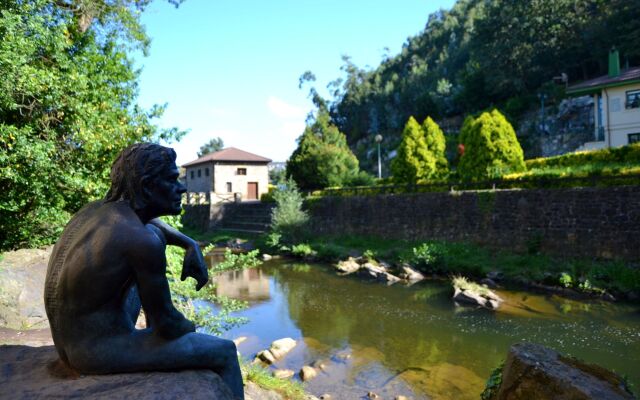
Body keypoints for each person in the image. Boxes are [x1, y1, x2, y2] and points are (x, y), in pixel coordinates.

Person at [44, 143, 244, 399]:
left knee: (156, 237)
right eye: (172, 180)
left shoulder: (94, 211)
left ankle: (152, 342)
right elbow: (170, 326)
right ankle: (156, 347)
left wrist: (188, 242)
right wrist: (188, 326)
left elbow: (149, 223)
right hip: (95, 351)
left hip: (69, 340)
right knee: (224, 351)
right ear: (148, 186)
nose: (181, 187)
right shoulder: (140, 241)